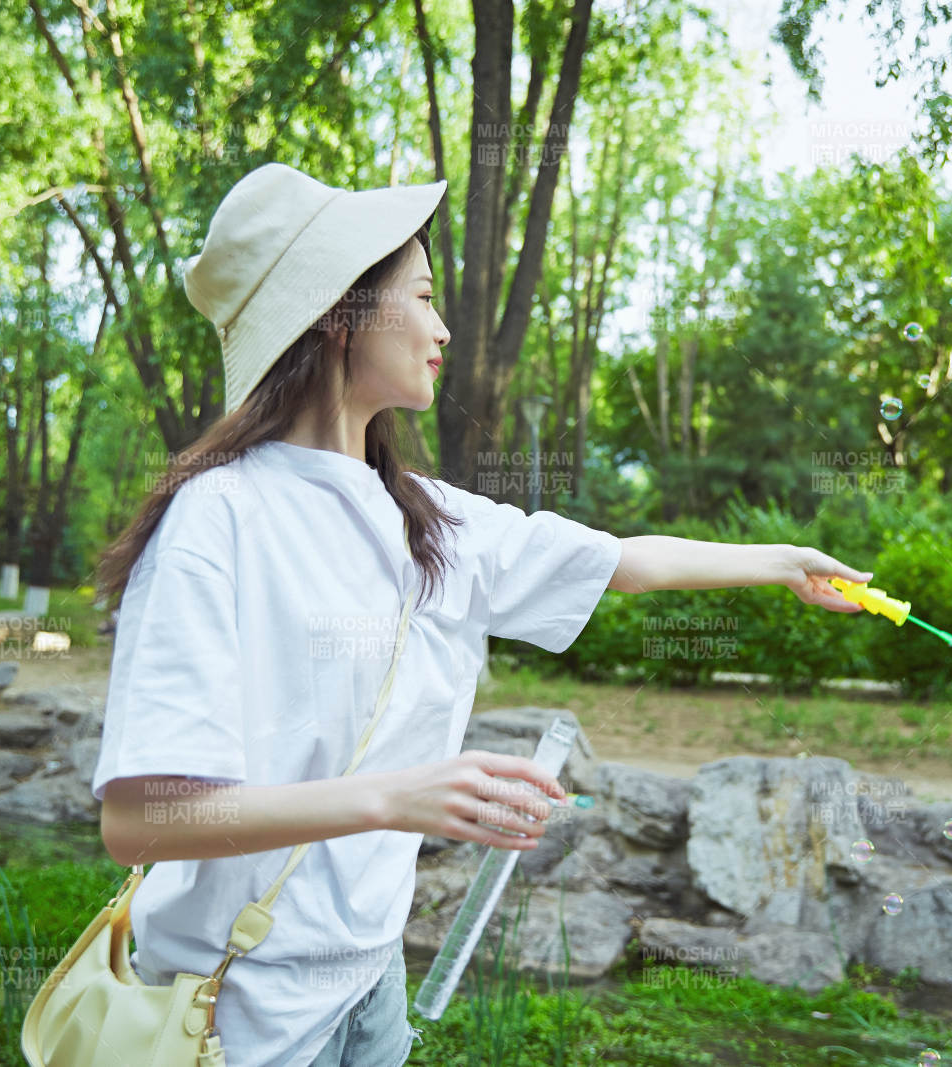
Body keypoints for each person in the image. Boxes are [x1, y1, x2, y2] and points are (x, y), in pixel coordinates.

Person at [86, 162, 873, 1067]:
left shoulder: (431, 518)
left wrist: (787, 564)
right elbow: (141, 819)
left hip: (368, 985)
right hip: (228, 1008)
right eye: (420, 296)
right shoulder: (216, 517)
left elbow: (626, 560)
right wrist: (393, 798)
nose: (444, 327)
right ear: (342, 316)